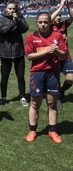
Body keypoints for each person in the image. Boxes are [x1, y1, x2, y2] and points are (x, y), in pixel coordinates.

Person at [24, 12, 67, 143]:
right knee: (35, 103)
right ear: (36, 23)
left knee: (52, 103)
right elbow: (29, 56)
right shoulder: (31, 37)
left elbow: (64, 55)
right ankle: (32, 130)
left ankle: (53, 130)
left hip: (53, 73)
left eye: (46, 22)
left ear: (50, 23)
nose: (43, 25)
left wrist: (55, 51)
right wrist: (46, 51)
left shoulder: (58, 36)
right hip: (37, 73)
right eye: (40, 22)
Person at [0, 1, 29, 106]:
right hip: (5, 53)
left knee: (20, 76)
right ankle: (3, 97)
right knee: (4, 76)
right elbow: (3, 30)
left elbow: (25, 29)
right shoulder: (0, 19)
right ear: (6, 9)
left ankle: (22, 96)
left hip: (18, 52)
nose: (11, 11)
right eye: (10, 8)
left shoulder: (19, 18)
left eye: (13, 9)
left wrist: (18, 20)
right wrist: (14, 22)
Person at [50, 0, 73, 107]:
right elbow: (50, 19)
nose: (59, 17)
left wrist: (67, 5)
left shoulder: (63, 25)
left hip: (66, 56)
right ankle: (58, 97)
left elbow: (72, 16)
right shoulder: (49, 26)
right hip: (54, 57)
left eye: (60, 15)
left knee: (70, 79)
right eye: (57, 15)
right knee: (56, 79)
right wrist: (59, 6)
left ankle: (63, 90)